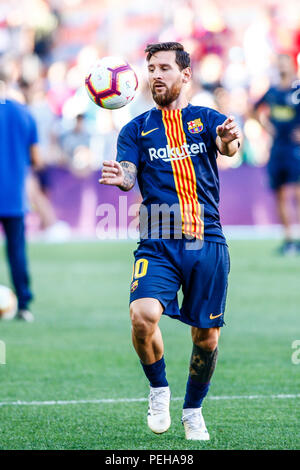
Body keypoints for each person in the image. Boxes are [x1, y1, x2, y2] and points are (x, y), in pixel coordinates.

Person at [100, 42, 241, 440]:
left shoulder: (204, 118)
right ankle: (159, 389)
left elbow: (229, 147)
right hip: (157, 241)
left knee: (207, 336)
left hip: (206, 239)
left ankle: (193, 410)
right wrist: (122, 178)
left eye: (164, 67)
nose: (156, 75)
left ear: (185, 75)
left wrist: (231, 137)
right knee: (142, 316)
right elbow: (128, 175)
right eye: (151, 68)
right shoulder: (135, 129)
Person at [0, 70, 42, 321]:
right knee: (16, 251)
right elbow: (36, 158)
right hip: (14, 196)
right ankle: (24, 304)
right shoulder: (24, 113)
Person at [254, 54, 300, 255]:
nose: (282, 67)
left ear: (292, 65)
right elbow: (253, 109)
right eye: (279, 63)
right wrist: (265, 125)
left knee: (297, 193)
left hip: (295, 149)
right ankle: (289, 239)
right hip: (277, 148)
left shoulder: (298, 90)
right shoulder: (272, 92)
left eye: (285, 63)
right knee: (279, 194)